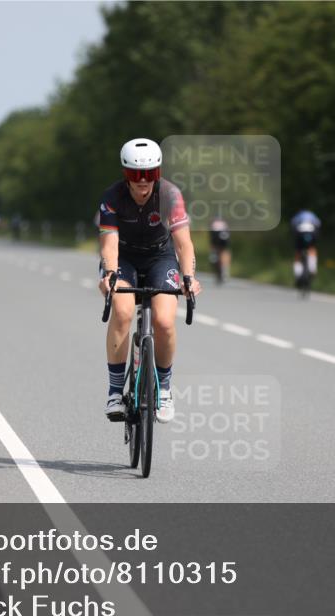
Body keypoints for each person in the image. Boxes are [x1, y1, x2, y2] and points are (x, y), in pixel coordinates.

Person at [98, 138, 202, 423]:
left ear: (158, 173)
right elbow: (109, 244)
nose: (143, 182)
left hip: (160, 257)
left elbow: (184, 244)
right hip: (124, 258)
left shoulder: (170, 195)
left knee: (165, 321)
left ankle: (165, 388)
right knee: (122, 312)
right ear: (125, 175)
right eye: (135, 175)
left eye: (150, 175)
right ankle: (115, 392)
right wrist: (109, 273)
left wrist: (189, 277)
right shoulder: (113, 197)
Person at [290, 209, 321, 285]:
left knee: (298, 253)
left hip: (300, 233)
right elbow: (319, 224)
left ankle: (297, 274)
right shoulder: (312, 215)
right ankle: (312, 268)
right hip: (312, 232)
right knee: (312, 249)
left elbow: (293, 225)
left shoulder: (298, 215)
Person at [209, 218, 231, 283]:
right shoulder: (220, 223)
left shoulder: (215, 223)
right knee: (222, 253)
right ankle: (223, 270)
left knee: (223, 252)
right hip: (219, 236)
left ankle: (224, 270)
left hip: (220, 237)